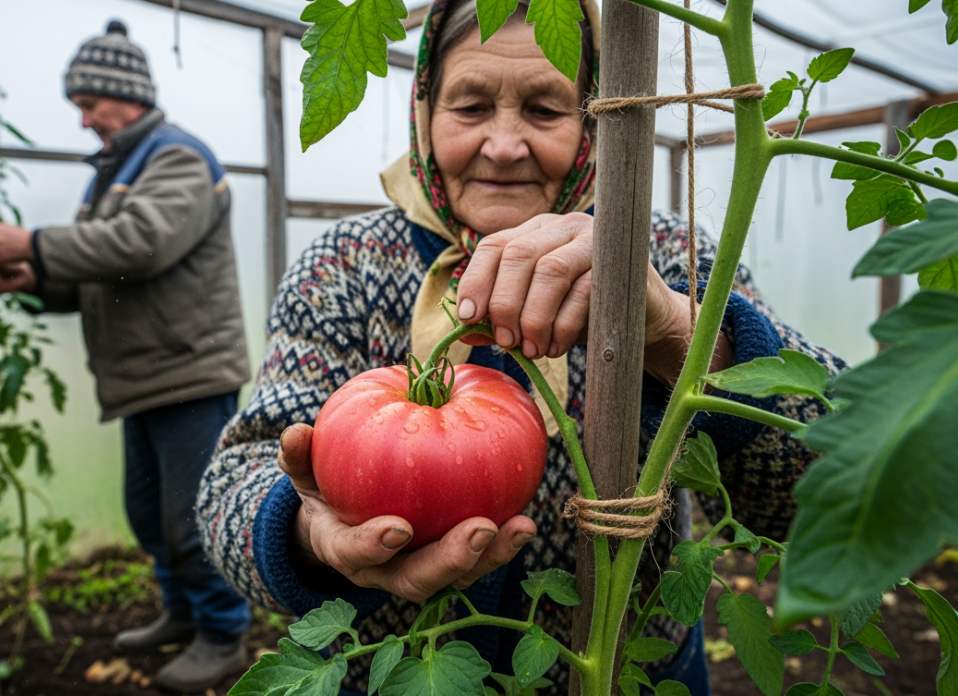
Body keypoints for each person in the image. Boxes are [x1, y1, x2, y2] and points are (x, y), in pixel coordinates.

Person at [199, 1, 845, 694]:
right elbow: (230, 486)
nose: (504, 146)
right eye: (470, 106)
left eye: (544, 109)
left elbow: (839, 488)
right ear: (425, 108)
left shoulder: (663, 253)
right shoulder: (345, 266)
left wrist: (671, 332)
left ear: (593, 119)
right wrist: (309, 534)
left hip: (633, 678)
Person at [0, 20, 252, 692]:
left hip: (188, 371)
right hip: (144, 374)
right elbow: (104, 273)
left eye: (89, 103)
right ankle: (181, 614)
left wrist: (34, 244)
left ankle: (223, 634)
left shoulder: (177, 157)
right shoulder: (117, 171)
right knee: (151, 515)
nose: (83, 119)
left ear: (127, 95)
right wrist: (33, 280)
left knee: (193, 516)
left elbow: (141, 245)